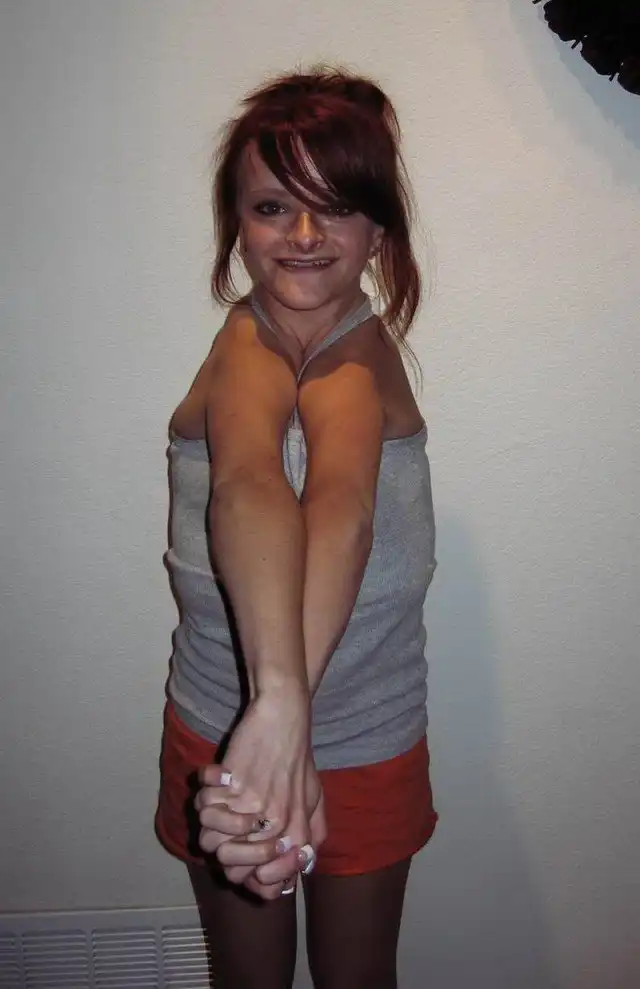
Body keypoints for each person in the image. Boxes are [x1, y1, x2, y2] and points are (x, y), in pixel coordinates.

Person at [155, 66, 438, 989]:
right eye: (274, 207)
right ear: (237, 225)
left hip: (365, 735)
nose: (304, 235)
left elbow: (341, 506)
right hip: (226, 729)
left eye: (336, 208)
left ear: (379, 229)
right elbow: (248, 482)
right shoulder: (240, 349)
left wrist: (285, 713)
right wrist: (271, 721)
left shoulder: (364, 357)